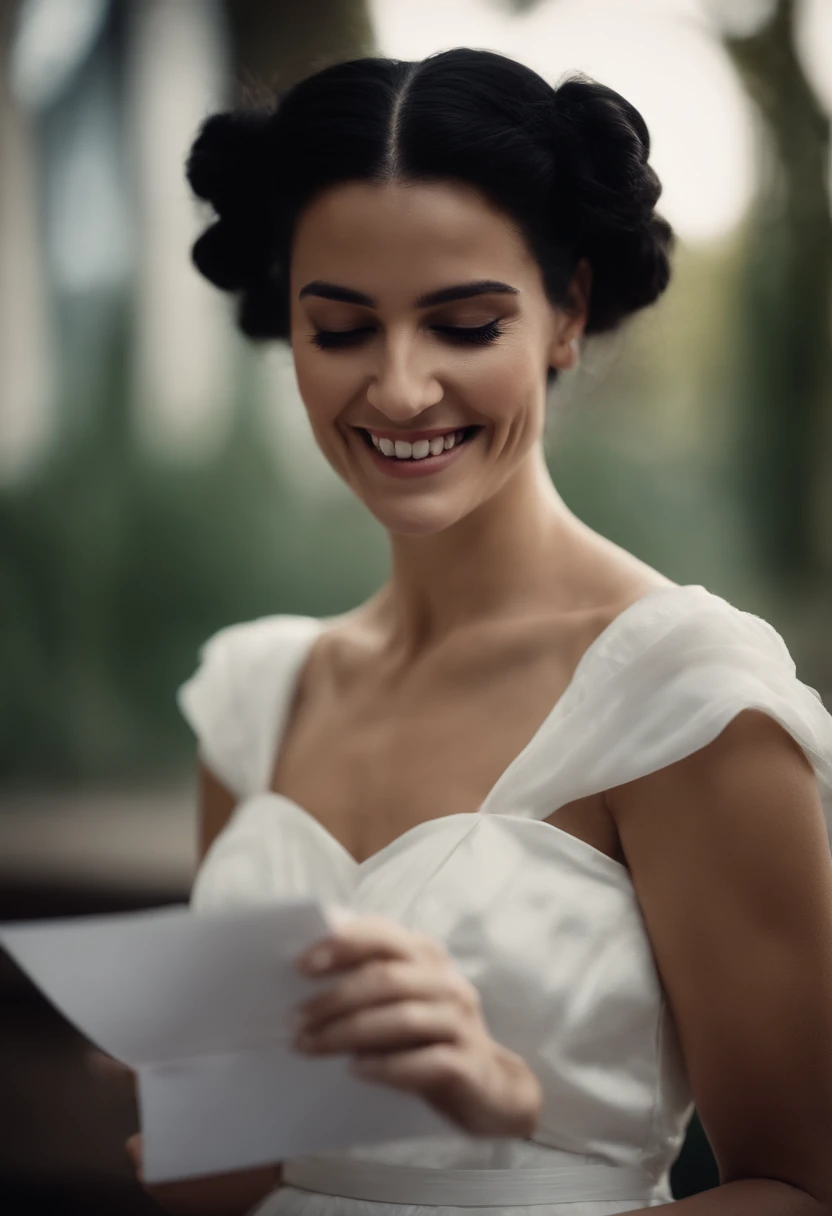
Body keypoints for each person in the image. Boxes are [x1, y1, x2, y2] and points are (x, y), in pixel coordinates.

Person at [124, 47, 832, 1216]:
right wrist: (197, 1135)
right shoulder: (252, 700)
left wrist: (505, 1118)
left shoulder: (685, 697)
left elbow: (800, 1187)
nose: (399, 388)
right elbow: (230, 1178)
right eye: (341, 328)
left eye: (461, 324)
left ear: (567, 313)